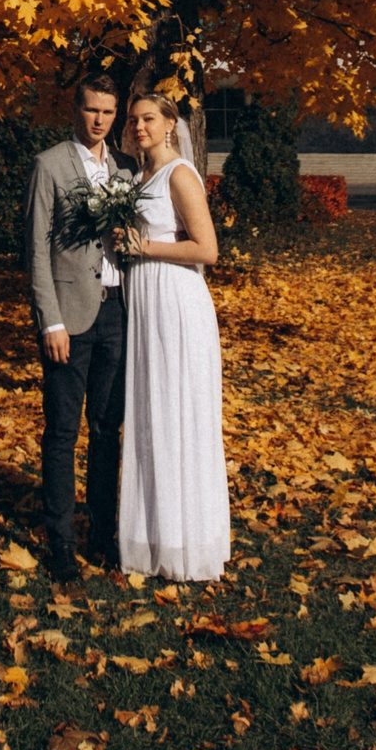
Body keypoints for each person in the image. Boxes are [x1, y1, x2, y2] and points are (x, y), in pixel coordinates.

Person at [113, 91, 232, 581]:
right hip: (144, 303)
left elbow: (208, 250)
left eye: (148, 119)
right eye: (134, 119)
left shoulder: (179, 175)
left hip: (175, 304)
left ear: (169, 124)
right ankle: (150, 536)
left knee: (177, 412)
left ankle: (188, 542)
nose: (139, 127)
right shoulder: (137, 177)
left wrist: (145, 246)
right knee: (151, 412)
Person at [25, 79, 128, 581]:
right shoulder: (50, 165)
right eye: (92, 109)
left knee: (108, 431)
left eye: (109, 111)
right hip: (70, 317)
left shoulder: (125, 168)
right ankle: (61, 541)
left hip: (118, 313)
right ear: (75, 109)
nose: (100, 120)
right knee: (63, 434)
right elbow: (36, 251)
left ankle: (104, 534)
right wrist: (52, 320)